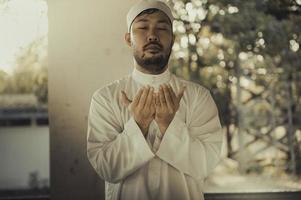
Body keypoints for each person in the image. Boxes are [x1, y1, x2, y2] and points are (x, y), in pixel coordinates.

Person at [87, 0, 223, 199]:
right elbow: (107, 168)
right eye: (142, 27)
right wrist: (139, 124)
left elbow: (206, 164)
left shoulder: (198, 97)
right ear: (128, 39)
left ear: (173, 39)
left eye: (162, 28)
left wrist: (168, 125)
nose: (152, 35)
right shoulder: (105, 98)